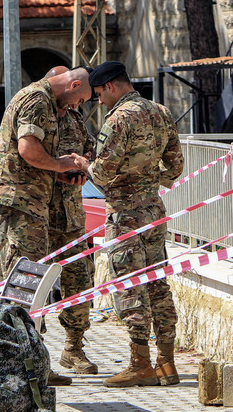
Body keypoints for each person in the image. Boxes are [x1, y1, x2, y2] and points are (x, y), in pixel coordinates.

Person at [74, 61, 184, 388]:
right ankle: (167, 362)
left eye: (98, 95)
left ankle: (141, 364)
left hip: (125, 214)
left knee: (130, 285)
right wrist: (148, 181)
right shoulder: (161, 111)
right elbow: (175, 167)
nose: (98, 102)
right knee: (158, 284)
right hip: (153, 209)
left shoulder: (119, 118)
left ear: (109, 86)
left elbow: (103, 172)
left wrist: (84, 164)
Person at [0, 66, 93, 386]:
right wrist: (60, 164)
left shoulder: (57, 106)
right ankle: (24, 366)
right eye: (81, 98)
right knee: (23, 284)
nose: (78, 106)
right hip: (21, 201)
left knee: (31, 282)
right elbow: (28, 149)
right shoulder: (37, 99)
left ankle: (34, 362)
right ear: (72, 85)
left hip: (37, 205)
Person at [44, 66, 99, 375]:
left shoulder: (75, 118)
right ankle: (34, 353)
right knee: (34, 284)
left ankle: (73, 348)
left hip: (72, 215)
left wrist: (86, 161)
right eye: (75, 98)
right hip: (40, 213)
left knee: (79, 280)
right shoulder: (38, 111)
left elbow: (88, 147)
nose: (77, 104)